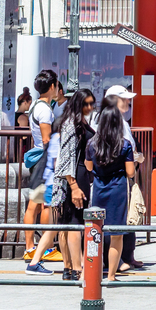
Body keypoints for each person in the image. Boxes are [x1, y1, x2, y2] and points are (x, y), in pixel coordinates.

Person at [84, 102, 136, 280]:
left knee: (96, 231)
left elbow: (89, 167)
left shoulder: (92, 144)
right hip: (118, 189)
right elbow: (130, 172)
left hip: (99, 187)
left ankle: (91, 271)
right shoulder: (125, 145)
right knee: (116, 234)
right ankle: (112, 275)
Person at [23, 70, 63, 272]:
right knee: (46, 205)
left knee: (34, 204)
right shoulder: (45, 110)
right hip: (45, 160)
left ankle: (30, 247)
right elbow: (47, 139)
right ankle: (43, 249)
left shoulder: (35, 106)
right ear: (53, 86)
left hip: (37, 159)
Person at [50, 89, 91, 280]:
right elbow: (65, 157)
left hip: (75, 175)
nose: (89, 107)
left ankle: (69, 268)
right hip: (73, 177)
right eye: (85, 104)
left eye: (91, 103)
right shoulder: (71, 124)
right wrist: (73, 186)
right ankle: (76, 268)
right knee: (73, 222)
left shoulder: (77, 122)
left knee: (67, 223)